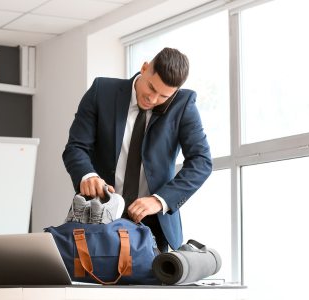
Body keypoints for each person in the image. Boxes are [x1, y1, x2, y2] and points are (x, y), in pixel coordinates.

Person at [63, 47, 212, 252]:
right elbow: (76, 147)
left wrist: (160, 200)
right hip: (99, 216)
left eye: (163, 96)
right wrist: (88, 175)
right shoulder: (102, 91)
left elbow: (201, 162)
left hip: (154, 227)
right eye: (151, 88)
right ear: (144, 68)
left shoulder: (183, 105)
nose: (153, 99)